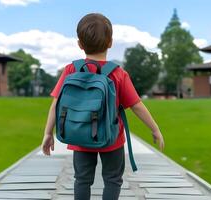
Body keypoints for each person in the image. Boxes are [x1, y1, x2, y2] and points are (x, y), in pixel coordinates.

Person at [41, 13, 164, 200]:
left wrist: (48, 133)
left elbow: (55, 105)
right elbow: (136, 106)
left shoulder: (71, 70)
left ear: (80, 44)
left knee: (82, 180)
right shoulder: (118, 74)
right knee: (113, 180)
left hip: (79, 136)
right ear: (110, 42)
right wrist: (155, 129)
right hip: (111, 138)